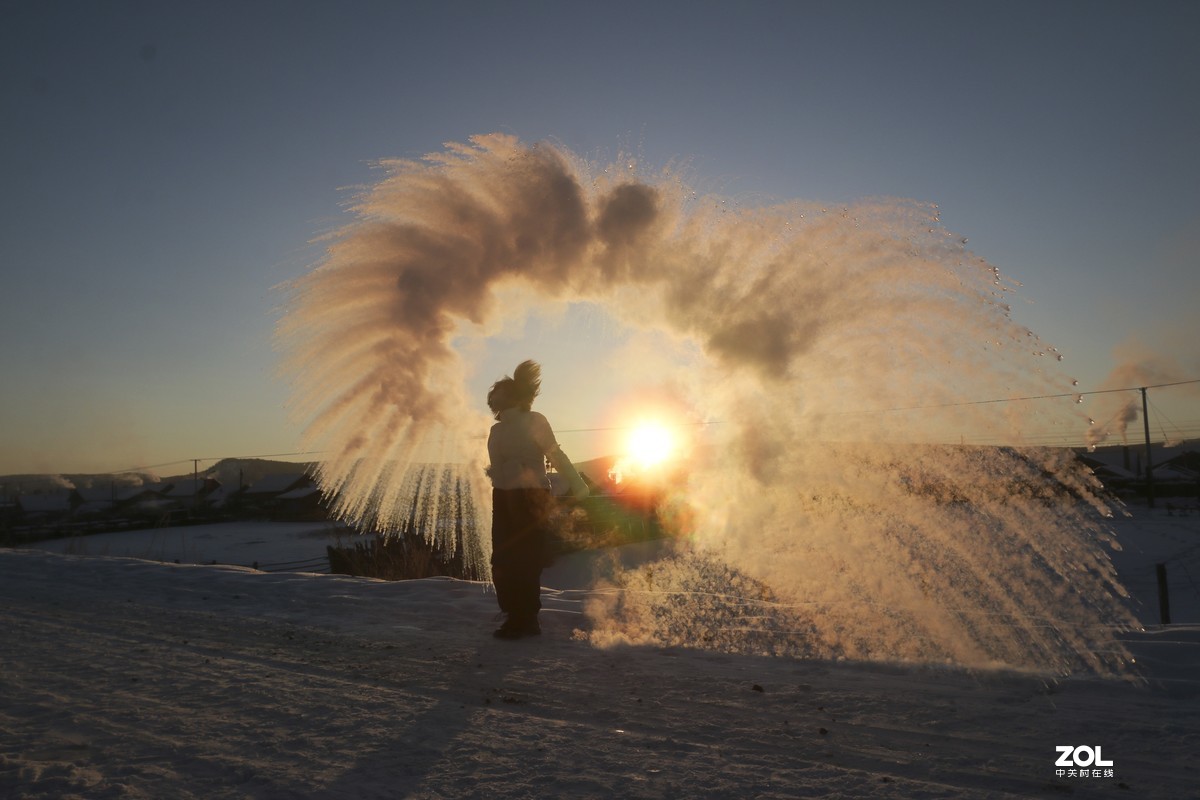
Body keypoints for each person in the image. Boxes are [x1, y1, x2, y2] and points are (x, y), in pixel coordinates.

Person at [486, 360, 588, 640]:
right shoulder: (496, 430)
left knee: (526, 559)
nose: (494, 396)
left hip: (531, 496)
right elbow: (497, 464)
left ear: (516, 395)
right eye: (493, 394)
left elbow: (555, 454)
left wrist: (577, 483)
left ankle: (527, 619)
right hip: (503, 496)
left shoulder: (535, 420)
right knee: (502, 559)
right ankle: (512, 614)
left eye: (500, 391)